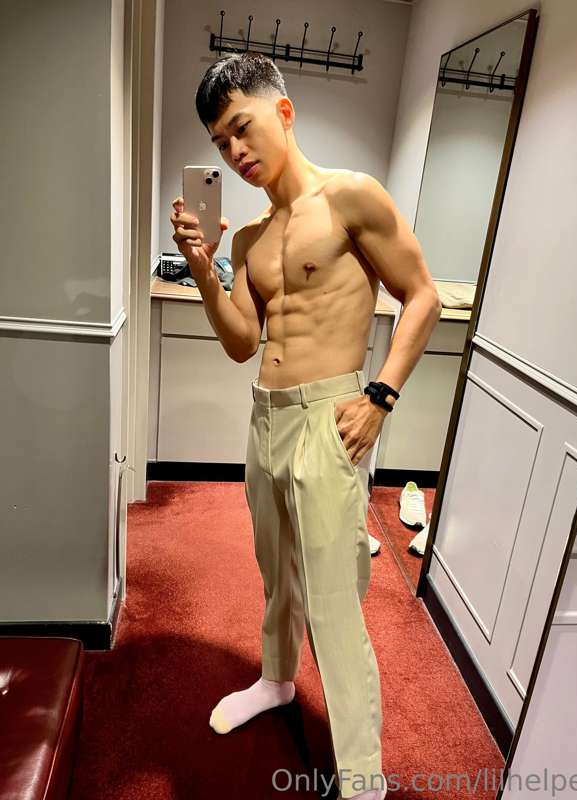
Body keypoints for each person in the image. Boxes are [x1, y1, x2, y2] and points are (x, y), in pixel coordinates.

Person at [170, 51, 441, 800]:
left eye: (242, 128)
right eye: (220, 142)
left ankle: (361, 777)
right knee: (277, 574)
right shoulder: (249, 241)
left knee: (333, 600)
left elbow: (422, 295)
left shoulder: (351, 196)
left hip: (331, 416)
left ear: (283, 112)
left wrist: (380, 395)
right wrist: (203, 268)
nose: (235, 151)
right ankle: (277, 679)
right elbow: (240, 343)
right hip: (266, 419)